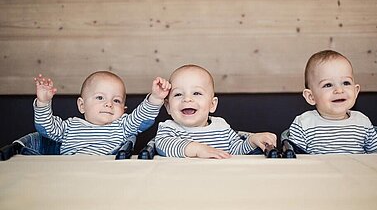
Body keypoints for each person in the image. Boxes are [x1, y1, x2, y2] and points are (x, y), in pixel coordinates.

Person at [34, 71, 171, 155]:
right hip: (71, 171)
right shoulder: (69, 127)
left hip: (107, 174)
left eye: (116, 100)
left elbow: (142, 117)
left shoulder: (122, 126)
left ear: (124, 109)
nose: (109, 104)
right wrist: (43, 102)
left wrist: (156, 98)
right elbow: (46, 127)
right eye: (100, 97)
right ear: (82, 105)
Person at [155, 64, 277, 159]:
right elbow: (163, 145)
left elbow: (237, 150)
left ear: (212, 105)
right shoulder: (169, 128)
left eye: (196, 93)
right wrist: (197, 150)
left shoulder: (221, 127)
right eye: (178, 94)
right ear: (168, 106)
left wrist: (252, 141)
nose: (187, 99)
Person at [288, 50, 377, 154]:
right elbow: (295, 159)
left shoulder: (362, 122)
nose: (339, 90)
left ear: (356, 91)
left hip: (356, 170)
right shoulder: (304, 123)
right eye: (328, 85)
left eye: (346, 83)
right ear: (311, 97)